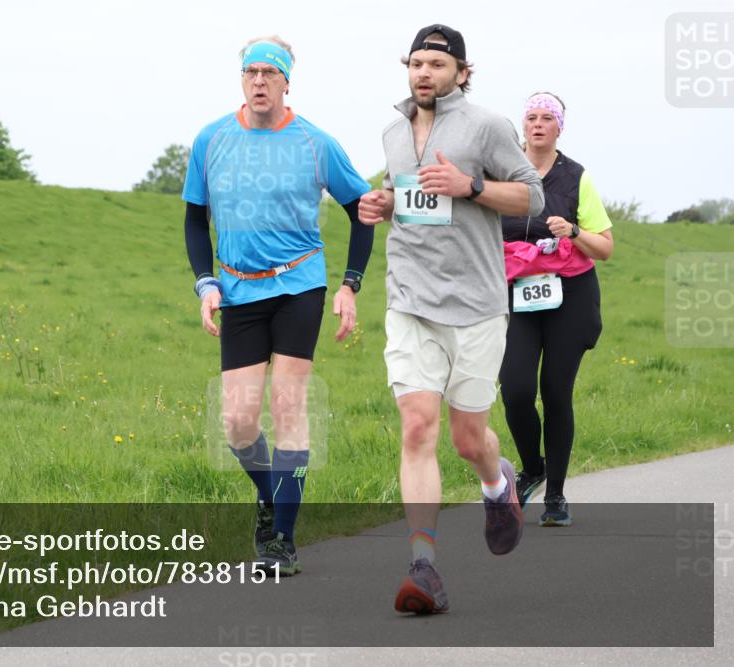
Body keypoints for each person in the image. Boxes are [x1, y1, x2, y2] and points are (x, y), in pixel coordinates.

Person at [359, 24, 544, 614]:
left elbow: (531, 197)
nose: (424, 73)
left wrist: (469, 185)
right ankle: (423, 568)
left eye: (437, 64)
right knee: (417, 427)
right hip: (410, 298)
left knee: (468, 440)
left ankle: (498, 483)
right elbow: (405, 196)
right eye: (415, 63)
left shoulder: (486, 126)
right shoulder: (392, 131)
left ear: (462, 72)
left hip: (476, 306)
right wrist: (383, 203)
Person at [182, 36, 373, 576]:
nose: (259, 81)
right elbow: (196, 218)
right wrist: (205, 282)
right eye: (251, 72)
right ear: (241, 79)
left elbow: (362, 211)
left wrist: (349, 285)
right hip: (237, 289)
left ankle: (282, 540)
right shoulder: (211, 139)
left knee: (289, 409)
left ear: (287, 81)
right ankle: (270, 499)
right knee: (238, 422)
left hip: (298, 286)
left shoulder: (316, 144)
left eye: (270, 72)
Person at [499, 92, 614, 528]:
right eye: (531, 117)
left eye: (548, 118)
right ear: (522, 125)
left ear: (560, 127)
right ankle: (533, 467)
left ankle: (557, 498)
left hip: (571, 297)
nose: (538, 124)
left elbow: (605, 247)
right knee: (515, 389)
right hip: (518, 296)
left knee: (555, 392)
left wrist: (575, 231)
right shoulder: (504, 173)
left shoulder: (577, 177)